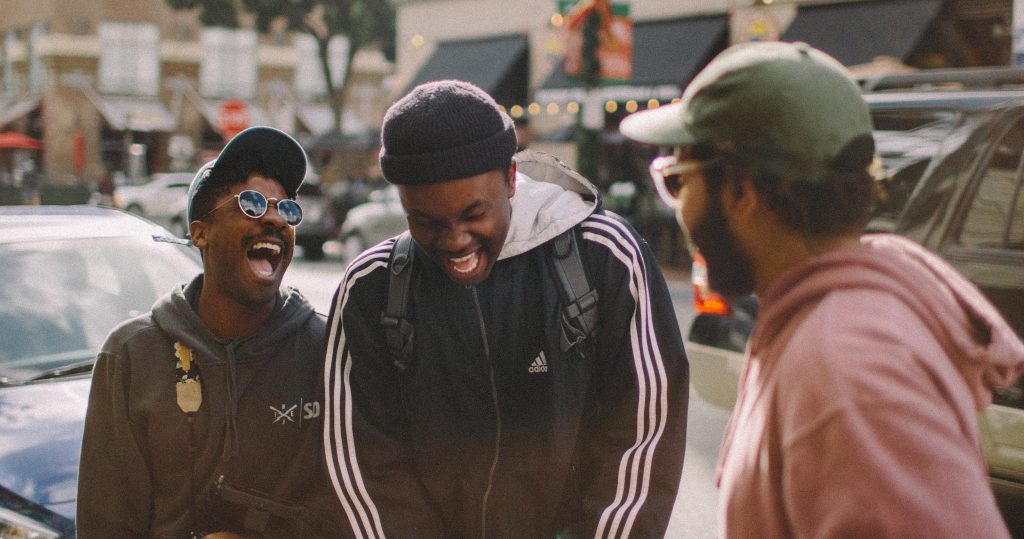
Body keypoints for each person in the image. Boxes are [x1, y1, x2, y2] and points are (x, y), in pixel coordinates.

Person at [620, 41, 1024, 537]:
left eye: (678, 181)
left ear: (743, 191)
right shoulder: (838, 327)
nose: (679, 210)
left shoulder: (844, 368)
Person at [324, 80, 689, 538]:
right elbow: (364, 465)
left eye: (474, 214)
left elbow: (644, 436)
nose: (455, 241)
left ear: (512, 178)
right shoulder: (370, 288)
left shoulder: (605, 255)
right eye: (426, 221)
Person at [78, 126, 342, 538]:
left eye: (288, 209)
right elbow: (106, 526)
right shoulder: (131, 355)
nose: (276, 218)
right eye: (252, 204)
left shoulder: (326, 350)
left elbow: (352, 512)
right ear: (200, 233)